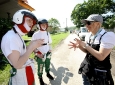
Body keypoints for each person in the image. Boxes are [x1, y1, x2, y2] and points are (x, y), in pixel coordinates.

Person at [68, 14, 115, 85]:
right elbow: (88, 52)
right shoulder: (89, 35)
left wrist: (85, 45)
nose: (86, 25)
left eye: (89, 23)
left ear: (98, 24)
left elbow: (101, 56)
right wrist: (80, 46)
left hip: (99, 75)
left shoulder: (107, 36)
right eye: (85, 23)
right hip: (87, 70)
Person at [1, 9, 44, 85]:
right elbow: (17, 64)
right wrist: (31, 47)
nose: (32, 23)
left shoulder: (16, 35)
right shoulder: (11, 37)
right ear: (19, 18)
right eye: (29, 20)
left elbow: (22, 53)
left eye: (32, 22)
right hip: (21, 80)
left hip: (26, 76)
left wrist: (33, 46)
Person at [32, 19, 54, 85]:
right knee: (40, 66)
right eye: (42, 24)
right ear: (39, 25)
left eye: (45, 24)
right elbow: (32, 46)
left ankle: (48, 73)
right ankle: (40, 78)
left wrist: (50, 50)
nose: (44, 26)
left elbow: (49, 43)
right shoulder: (35, 34)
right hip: (40, 53)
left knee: (48, 64)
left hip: (47, 52)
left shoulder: (47, 33)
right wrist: (37, 53)